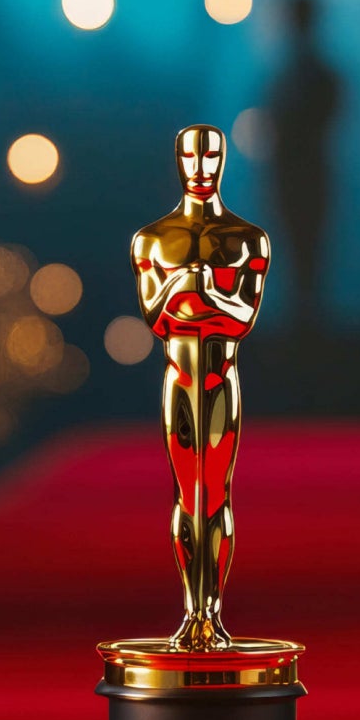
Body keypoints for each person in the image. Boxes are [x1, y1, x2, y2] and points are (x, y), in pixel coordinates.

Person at [130, 125, 269, 650]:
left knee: (217, 496)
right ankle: (193, 613)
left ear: (223, 159)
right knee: (188, 495)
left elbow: (243, 319)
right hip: (180, 377)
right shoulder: (153, 239)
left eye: (210, 153)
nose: (201, 163)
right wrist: (195, 293)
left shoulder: (246, 239)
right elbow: (155, 317)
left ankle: (212, 613)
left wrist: (197, 289)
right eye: (191, 153)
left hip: (219, 378)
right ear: (178, 158)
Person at [265, 0, 339, 330]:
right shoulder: (292, 73)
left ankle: (305, 323)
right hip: (292, 170)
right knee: (293, 244)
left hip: (306, 171)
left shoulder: (310, 74)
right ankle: (299, 319)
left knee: (308, 246)